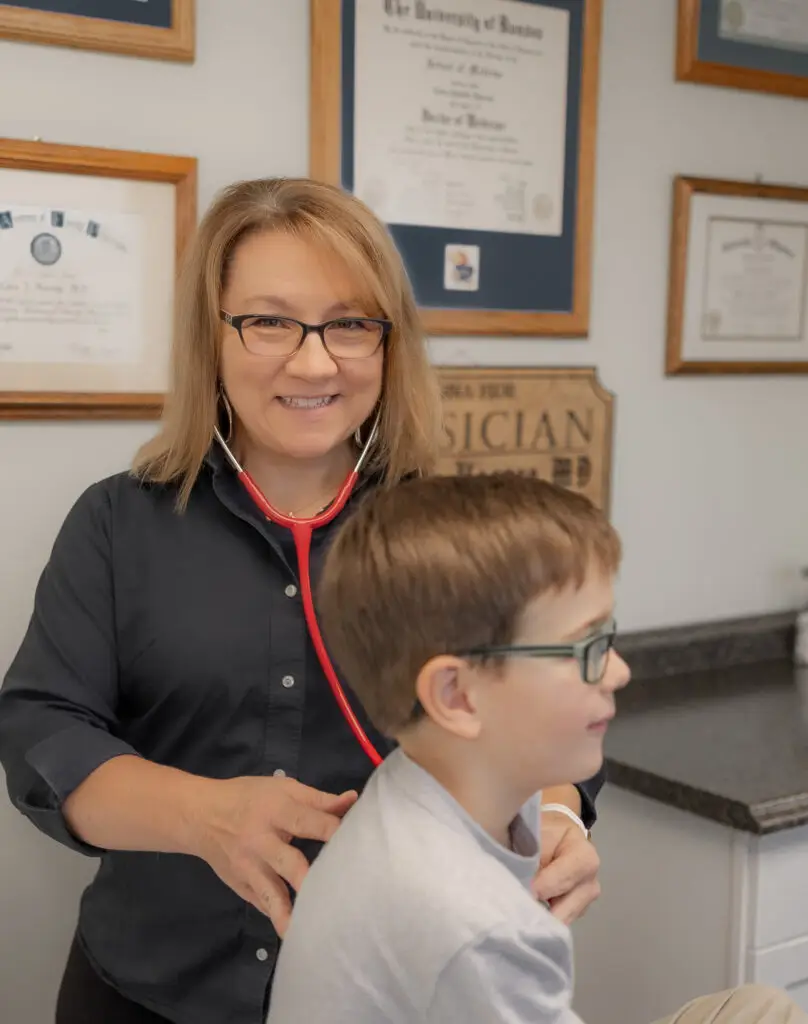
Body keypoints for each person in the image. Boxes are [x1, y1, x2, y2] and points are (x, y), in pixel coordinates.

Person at [0, 178, 601, 1024]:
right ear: (211, 337)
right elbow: (42, 735)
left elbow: (544, 701)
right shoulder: (116, 523)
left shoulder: (449, 534)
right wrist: (203, 815)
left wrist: (558, 818)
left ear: (389, 344)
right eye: (270, 321)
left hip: (386, 988)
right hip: (147, 994)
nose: (315, 361)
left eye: (351, 323)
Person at [266, 471, 807, 1024]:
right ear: (458, 695)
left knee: (765, 1008)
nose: (618, 672)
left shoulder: (424, 782)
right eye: (587, 647)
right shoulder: (479, 929)